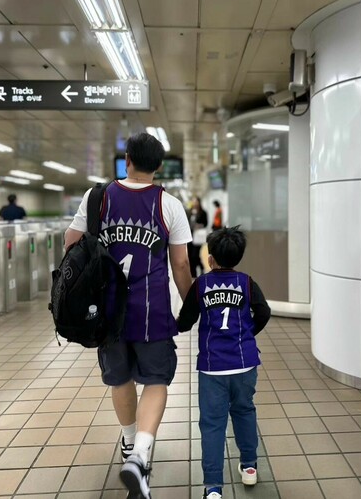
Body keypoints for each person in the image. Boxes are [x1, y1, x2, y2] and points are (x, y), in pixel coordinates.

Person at [64, 132, 193, 499]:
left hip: (106, 312)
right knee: (156, 379)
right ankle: (140, 456)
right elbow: (181, 264)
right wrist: (190, 304)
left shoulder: (97, 197)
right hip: (152, 312)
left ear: (128, 160)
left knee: (119, 378)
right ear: (160, 166)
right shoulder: (169, 205)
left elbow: (70, 243)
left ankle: (128, 441)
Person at [176, 226, 271, 499]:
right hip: (245, 365)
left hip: (212, 367)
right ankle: (250, 466)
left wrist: (172, 325)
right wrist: (247, 333)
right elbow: (263, 311)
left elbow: (185, 322)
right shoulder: (247, 282)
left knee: (213, 423)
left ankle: (214, 487)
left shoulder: (201, 285)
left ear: (210, 258)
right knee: (244, 411)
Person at [188, 196, 208, 277]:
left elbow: (205, 223)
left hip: (198, 237)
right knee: (190, 255)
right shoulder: (189, 212)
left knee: (195, 255)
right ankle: (193, 274)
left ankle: (201, 268)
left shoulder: (203, 213)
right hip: (189, 236)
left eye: (196, 201)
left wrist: (199, 225)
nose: (195, 203)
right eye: (193, 201)